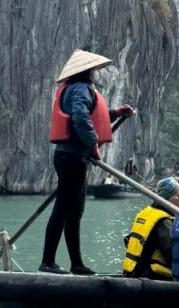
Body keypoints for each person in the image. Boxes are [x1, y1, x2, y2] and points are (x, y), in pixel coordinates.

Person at [40, 49, 135, 275]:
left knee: (74, 212)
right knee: (63, 210)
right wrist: (92, 143)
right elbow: (79, 116)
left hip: (72, 157)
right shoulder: (81, 88)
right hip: (72, 156)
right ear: (87, 71)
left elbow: (95, 116)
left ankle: (77, 264)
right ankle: (47, 262)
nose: (96, 73)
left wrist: (117, 113)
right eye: (94, 69)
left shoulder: (75, 88)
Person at [122, 177, 179, 279]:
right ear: (166, 197)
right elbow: (171, 253)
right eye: (178, 197)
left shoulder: (145, 213)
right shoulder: (164, 221)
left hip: (134, 270)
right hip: (152, 275)